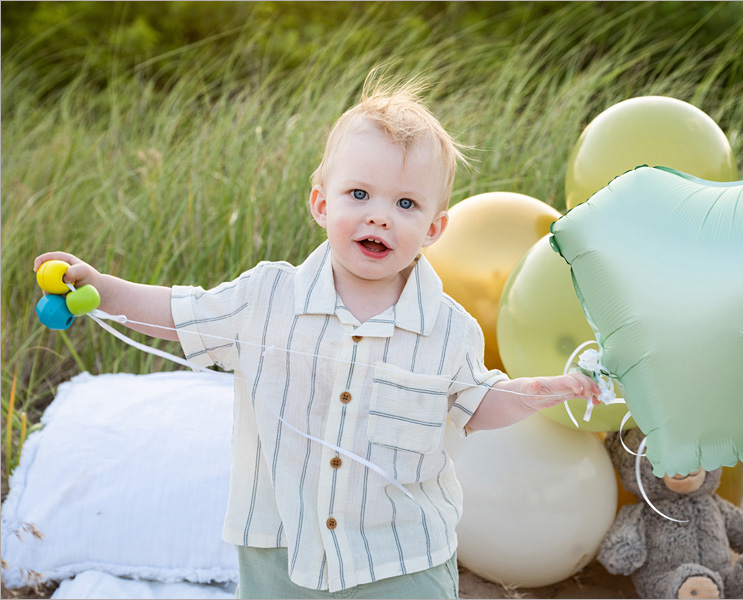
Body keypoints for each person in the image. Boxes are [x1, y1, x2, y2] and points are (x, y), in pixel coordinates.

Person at [34, 73, 602, 599]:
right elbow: (183, 314)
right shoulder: (266, 297)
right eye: (359, 195)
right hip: (281, 549)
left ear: (433, 229)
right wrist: (105, 290)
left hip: (401, 557)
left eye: (405, 204)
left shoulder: (448, 327)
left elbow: (479, 404)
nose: (379, 216)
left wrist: (547, 390)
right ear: (321, 204)